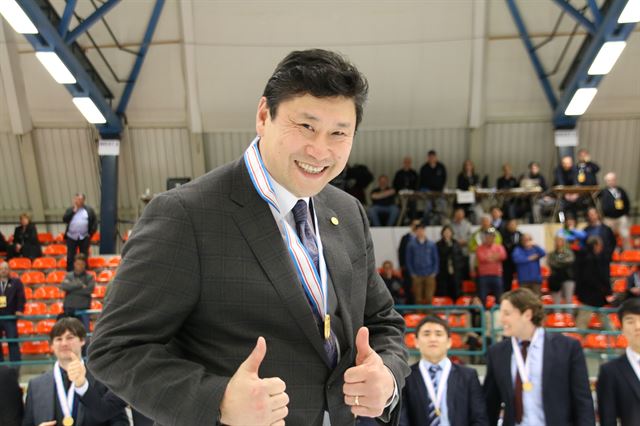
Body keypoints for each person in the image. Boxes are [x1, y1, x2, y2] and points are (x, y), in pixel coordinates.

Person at [88, 49, 409, 425]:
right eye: (306, 126)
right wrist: (218, 401)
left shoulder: (347, 211)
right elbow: (114, 349)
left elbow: (383, 321)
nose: (320, 150)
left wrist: (387, 376)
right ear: (263, 116)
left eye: (339, 133)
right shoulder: (185, 215)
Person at [483, 288, 595, 426]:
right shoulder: (497, 353)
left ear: (527, 314)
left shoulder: (567, 348)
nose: (501, 319)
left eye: (507, 313)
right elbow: (490, 405)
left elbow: (583, 402)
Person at [23, 318, 129, 426]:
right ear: (51, 346)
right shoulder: (35, 385)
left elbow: (120, 423)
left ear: (82, 340)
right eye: (59, 339)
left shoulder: (103, 379)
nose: (64, 343)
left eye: (70, 338)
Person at [400, 315, 488, 426]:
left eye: (438, 334)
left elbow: (479, 417)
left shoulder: (468, 376)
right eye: (426, 334)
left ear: (449, 342)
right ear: (416, 341)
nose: (433, 339)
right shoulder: (406, 377)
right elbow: (401, 420)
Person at [597, 298, 640, 426]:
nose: (637, 326)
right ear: (621, 328)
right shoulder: (610, 371)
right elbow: (608, 419)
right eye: (630, 321)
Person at [574, 236, 612, 330]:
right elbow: (591, 277)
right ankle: (616, 340)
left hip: (589, 295)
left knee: (602, 319)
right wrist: (603, 289)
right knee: (583, 321)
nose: (601, 248)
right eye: (600, 246)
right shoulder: (591, 259)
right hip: (592, 295)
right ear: (595, 245)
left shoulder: (583, 257)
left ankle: (616, 340)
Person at [63, 193, 98, 272]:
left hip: (84, 237)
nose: (78, 201)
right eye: (76, 199)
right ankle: (70, 273)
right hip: (71, 237)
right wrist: (73, 211)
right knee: (70, 256)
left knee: (84, 255)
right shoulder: (70, 209)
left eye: (80, 199)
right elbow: (65, 219)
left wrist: (90, 234)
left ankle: (84, 272)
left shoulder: (89, 210)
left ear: (83, 200)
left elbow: (94, 222)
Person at [406, 223, 439, 305]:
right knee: (418, 299)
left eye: (422, 230)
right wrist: (412, 273)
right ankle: (419, 316)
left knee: (429, 298)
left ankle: (429, 316)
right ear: (416, 232)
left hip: (429, 274)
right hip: (417, 275)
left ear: (424, 231)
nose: (420, 232)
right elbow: (408, 260)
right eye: (418, 230)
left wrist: (434, 272)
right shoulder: (411, 245)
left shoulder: (431, 244)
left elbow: (436, 259)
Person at [61, 254, 95, 332]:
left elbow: (89, 290)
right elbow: (64, 286)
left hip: (83, 310)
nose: (80, 266)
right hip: (69, 309)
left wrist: (72, 289)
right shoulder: (68, 276)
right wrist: (79, 285)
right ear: (74, 264)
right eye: (78, 264)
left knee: (84, 334)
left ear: (85, 265)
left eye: (82, 264)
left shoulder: (90, 277)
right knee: (68, 333)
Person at [0, 261, 25, 365]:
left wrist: (19, 310)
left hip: (10, 316)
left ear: (9, 270)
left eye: (6, 268)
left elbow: (21, 297)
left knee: (13, 341)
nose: (3, 270)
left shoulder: (16, 282)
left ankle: (15, 367)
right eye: (1, 269)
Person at [599, 172, 631, 250]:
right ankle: (612, 251)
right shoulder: (603, 192)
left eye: (612, 180)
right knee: (609, 236)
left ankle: (628, 251)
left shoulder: (620, 190)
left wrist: (626, 213)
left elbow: (627, 202)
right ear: (606, 181)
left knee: (625, 235)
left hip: (621, 217)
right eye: (609, 180)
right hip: (609, 219)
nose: (611, 182)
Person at [475, 228, 507, 307]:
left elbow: (503, 256)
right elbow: (481, 258)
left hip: (497, 275)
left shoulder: (499, 247)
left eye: (492, 236)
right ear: (485, 237)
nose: (490, 238)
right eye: (488, 236)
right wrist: (494, 256)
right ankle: (483, 316)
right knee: (482, 297)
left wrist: (489, 257)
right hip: (483, 276)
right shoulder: (480, 248)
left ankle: (498, 315)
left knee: (499, 297)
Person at [436, 226, 464, 301]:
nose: (447, 234)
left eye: (449, 232)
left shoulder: (456, 244)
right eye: (445, 232)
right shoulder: (438, 244)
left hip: (455, 272)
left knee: (456, 289)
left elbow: (460, 257)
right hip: (443, 272)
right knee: (444, 290)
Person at [419, 150, 448, 225]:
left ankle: (442, 223)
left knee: (443, 204)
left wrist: (441, 190)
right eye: (430, 157)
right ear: (428, 158)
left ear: (436, 157)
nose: (431, 158)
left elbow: (444, 179)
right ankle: (426, 224)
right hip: (428, 192)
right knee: (427, 207)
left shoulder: (441, 167)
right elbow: (421, 182)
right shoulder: (424, 168)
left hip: (439, 192)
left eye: (433, 157)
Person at [547, 234, 575, 305]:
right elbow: (552, 263)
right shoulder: (551, 254)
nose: (558, 242)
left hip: (568, 278)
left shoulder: (569, 253)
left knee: (568, 300)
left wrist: (558, 261)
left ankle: (569, 316)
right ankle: (557, 315)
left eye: (560, 241)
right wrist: (562, 262)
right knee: (556, 302)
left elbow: (569, 261)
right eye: (557, 241)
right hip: (555, 280)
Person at [398, 219, 421, 304]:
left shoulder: (421, 238)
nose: (416, 227)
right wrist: (402, 265)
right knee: (408, 288)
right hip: (407, 268)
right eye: (415, 225)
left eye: (418, 225)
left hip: (419, 269)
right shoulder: (405, 238)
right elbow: (401, 252)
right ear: (411, 226)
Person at [393, 157, 419, 222]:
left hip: (412, 195)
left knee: (413, 204)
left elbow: (417, 184)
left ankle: (413, 221)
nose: (407, 164)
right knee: (401, 206)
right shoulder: (399, 173)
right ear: (403, 163)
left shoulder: (414, 173)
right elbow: (395, 184)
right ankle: (401, 221)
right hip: (401, 195)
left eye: (408, 163)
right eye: (406, 162)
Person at [501, 219, 521, 293]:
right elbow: (505, 248)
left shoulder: (520, 234)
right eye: (510, 224)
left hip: (518, 263)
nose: (512, 226)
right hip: (507, 263)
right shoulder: (503, 235)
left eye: (514, 224)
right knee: (507, 283)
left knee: (520, 283)